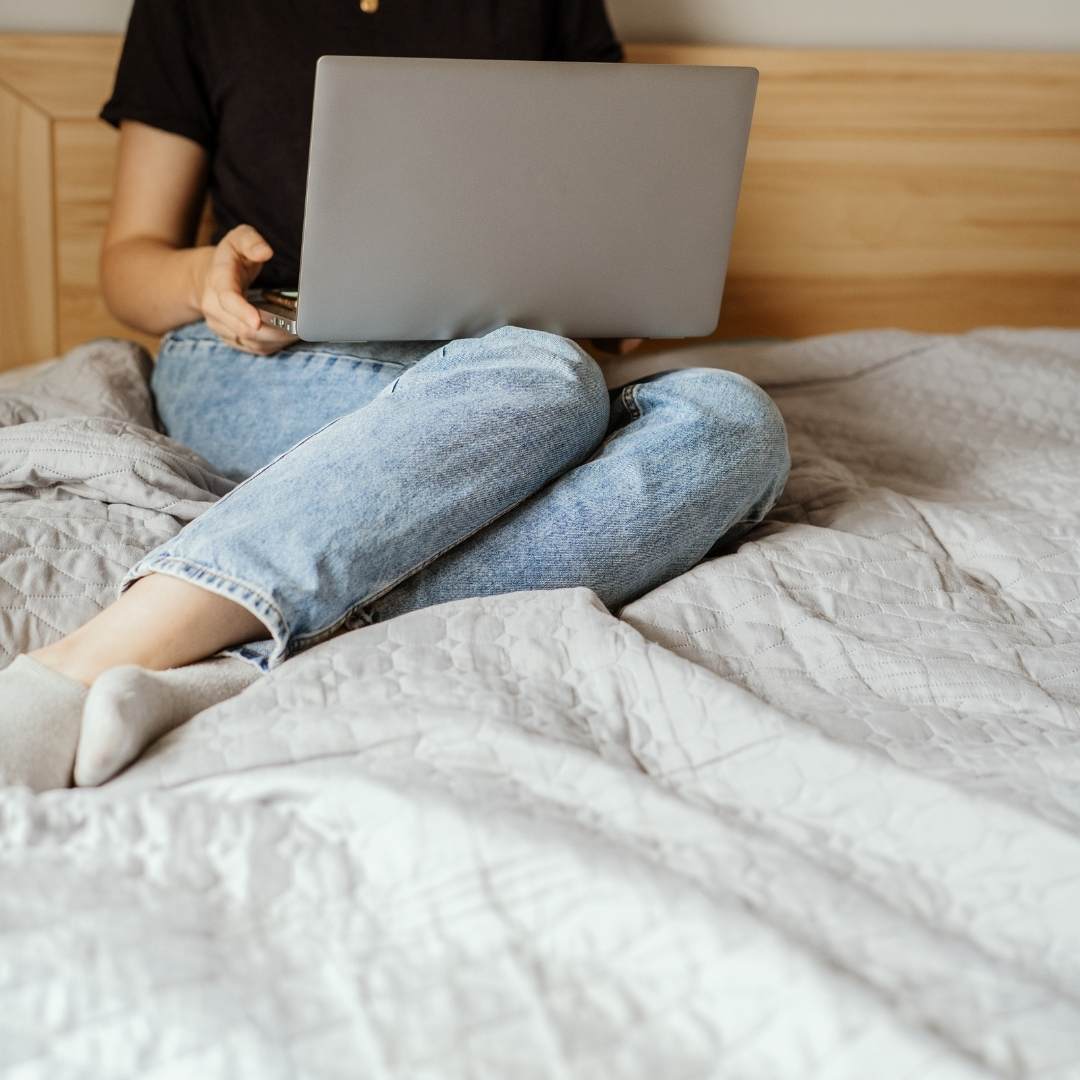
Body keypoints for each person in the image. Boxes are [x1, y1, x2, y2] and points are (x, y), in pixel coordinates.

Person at [0, 0, 790, 792]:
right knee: (547, 376)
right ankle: (81, 666)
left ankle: (228, 666)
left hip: (500, 362)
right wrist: (201, 280)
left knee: (733, 422)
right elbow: (129, 267)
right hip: (271, 351)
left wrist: (614, 284)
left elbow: (596, 206)